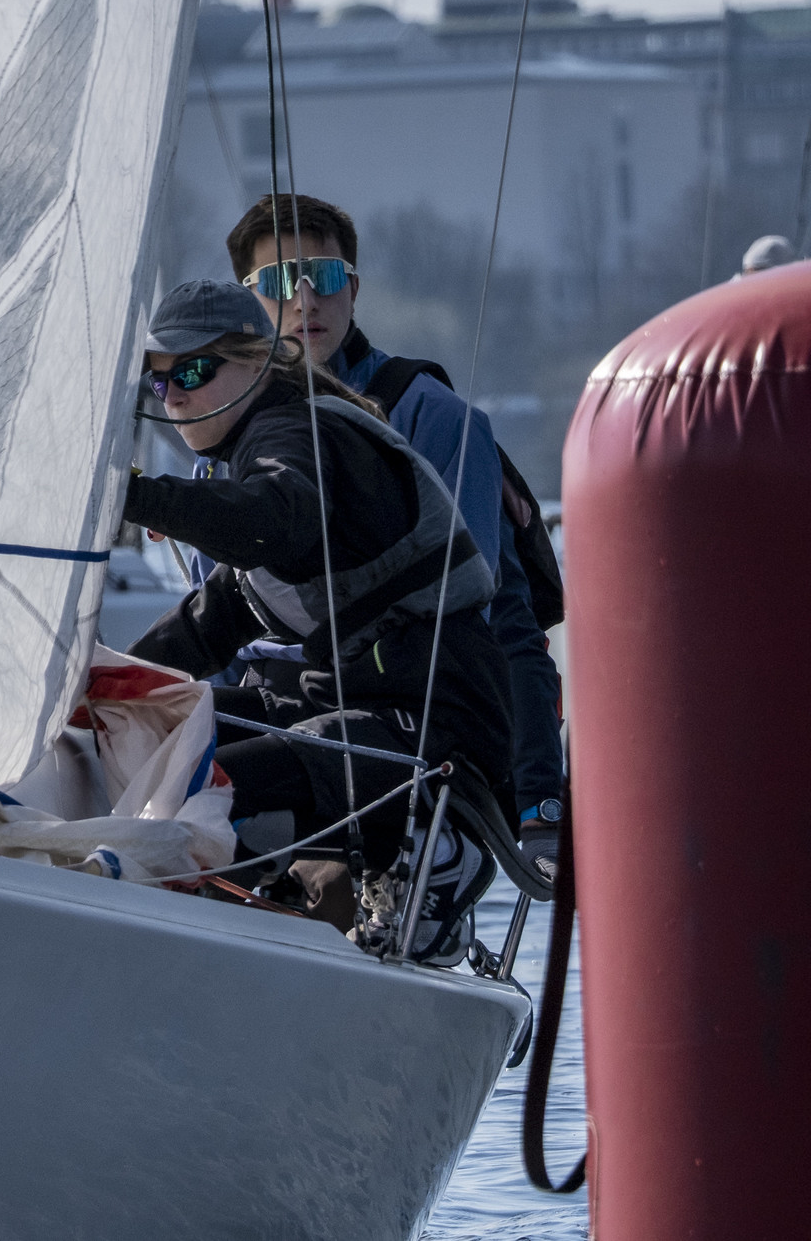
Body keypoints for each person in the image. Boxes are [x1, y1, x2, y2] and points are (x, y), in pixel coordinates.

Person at [123, 280, 513, 963]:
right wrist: (105, 690)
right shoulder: (269, 444)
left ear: (257, 361)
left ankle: (440, 855)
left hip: (435, 720)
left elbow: (273, 521)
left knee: (207, 785)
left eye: (192, 370)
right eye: (160, 383)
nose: (174, 396)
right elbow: (211, 622)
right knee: (169, 722)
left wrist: (135, 497)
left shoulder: (294, 433)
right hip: (358, 709)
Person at [219, 194, 566, 880]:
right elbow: (228, 619)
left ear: (353, 288)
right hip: (287, 701)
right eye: (278, 282)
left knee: (227, 788)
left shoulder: (433, 416)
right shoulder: (225, 431)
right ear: (247, 303)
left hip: (412, 725)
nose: (304, 300)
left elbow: (489, 615)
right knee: (153, 746)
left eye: (323, 276)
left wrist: (539, 804)